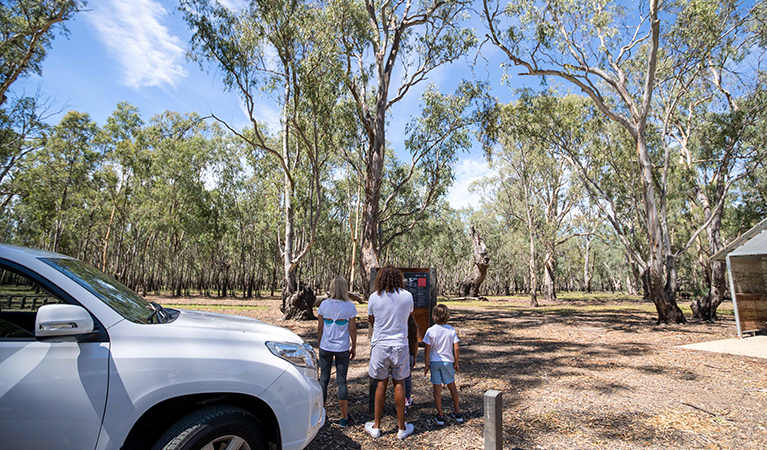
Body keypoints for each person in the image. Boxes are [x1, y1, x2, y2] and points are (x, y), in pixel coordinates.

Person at [365, 265, 415, 440]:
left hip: (380, 345)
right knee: (399, 382)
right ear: (399, 279)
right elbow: (407, 318)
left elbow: (372, 320)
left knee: (380, 383)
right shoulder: (407, 296)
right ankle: (402, 427)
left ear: (380, 279)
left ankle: (376, 426)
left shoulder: (374, 297)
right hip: (400, 344)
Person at [317, 276, 358, 428]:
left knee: (324, 380)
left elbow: (320, 327)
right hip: (342, 348)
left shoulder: (324, 305)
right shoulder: (349, 306)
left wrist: (320, 342)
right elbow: (352, 329)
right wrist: (354, 346)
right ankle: (344, 418)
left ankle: (321, 415)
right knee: (341, 381)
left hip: (325, 347)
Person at [423, 304, 462, 426]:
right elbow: (456, 348)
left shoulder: (430, 331)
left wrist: (426, 364)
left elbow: (427, 349)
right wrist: (456, 362)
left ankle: (440, 415)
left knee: (437, 388)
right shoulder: (451, 330)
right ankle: (458, 412)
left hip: (435, 362)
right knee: (452, 387)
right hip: (448, 362)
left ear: (434, 316)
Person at [404, 314, 419, 413]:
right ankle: (407, 397)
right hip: (410, 353)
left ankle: (402, 401)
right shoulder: (414, 326)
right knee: (408, 377)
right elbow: (415, 342)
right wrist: (415, 356)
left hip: (401, 353)